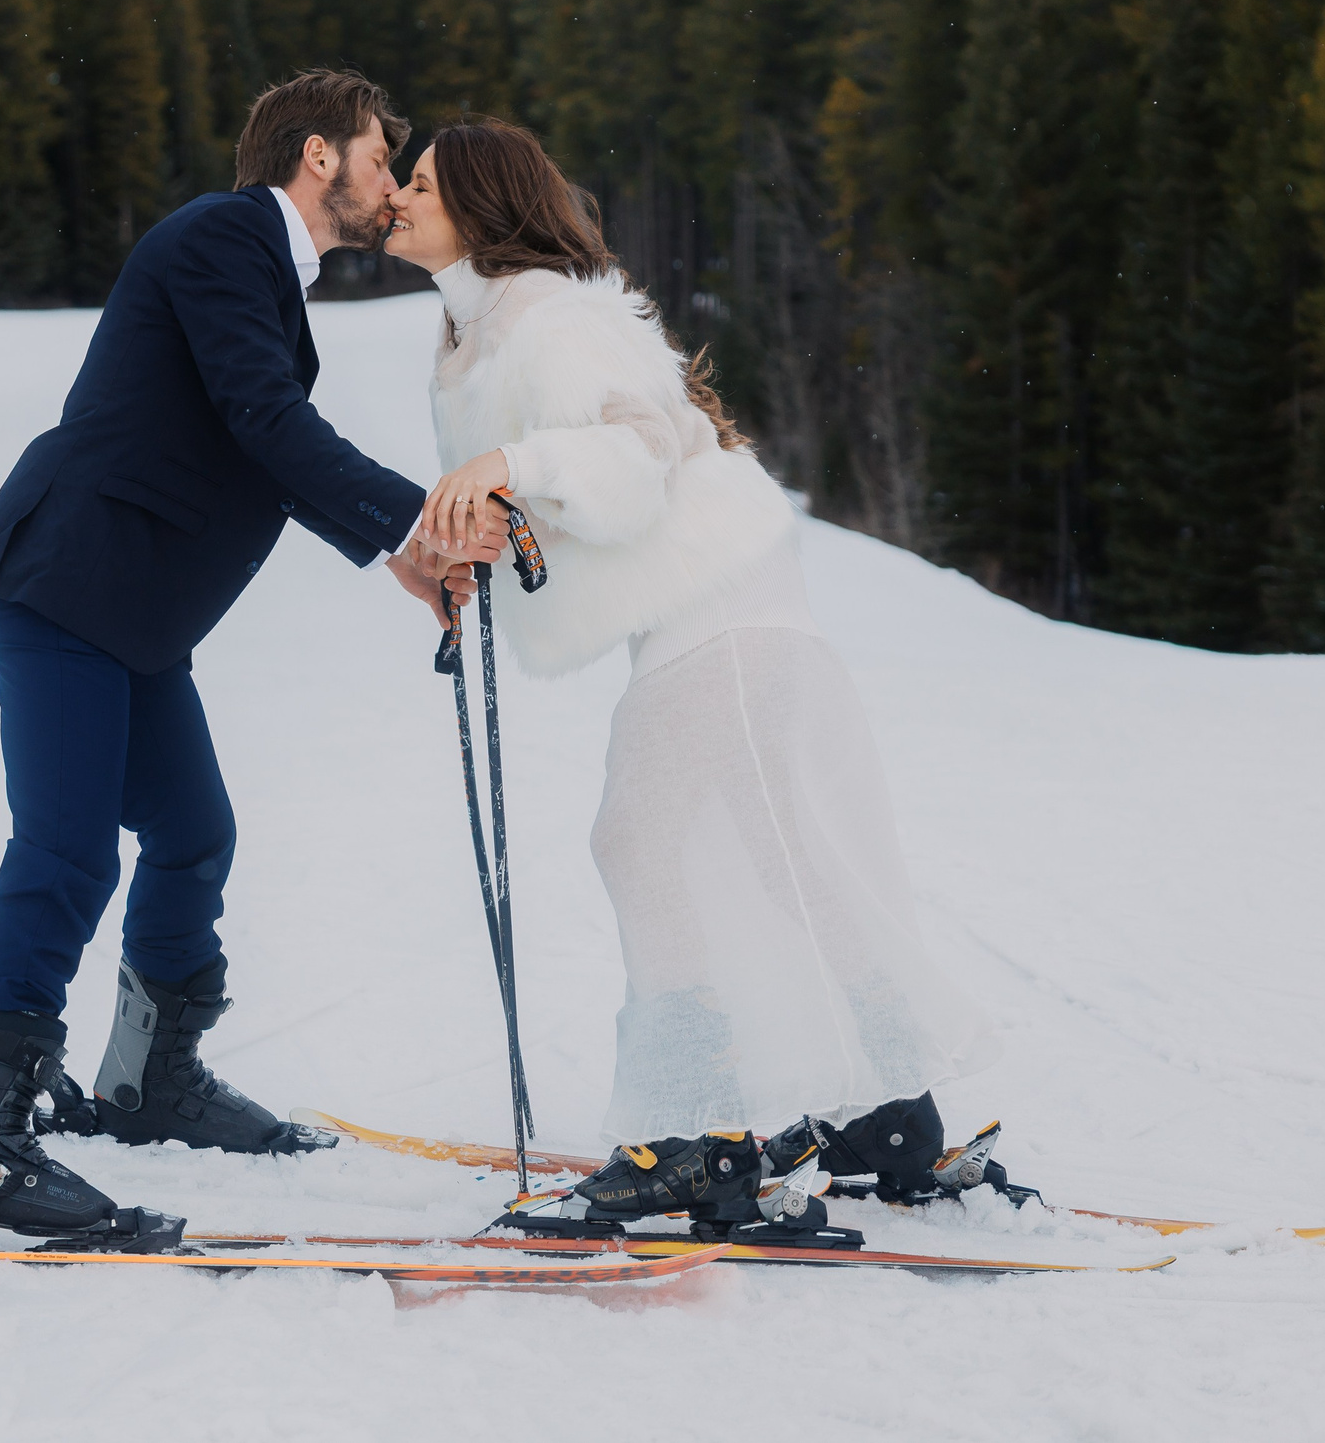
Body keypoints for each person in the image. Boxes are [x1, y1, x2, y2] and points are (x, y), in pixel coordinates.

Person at [0, 71, 502, 1241]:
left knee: (191, 833)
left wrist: (400, 555)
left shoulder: (260, 268)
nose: (391, 182)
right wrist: (420, 521)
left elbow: (253, 441)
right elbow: (264, 419)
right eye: (382, 156)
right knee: (66, 850)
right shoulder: (224, 235)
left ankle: (148, 1082)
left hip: (128, 615)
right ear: (319, 155)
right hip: (66, 584)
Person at [384, 118, 1003, 1221]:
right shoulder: (481, 332)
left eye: (422, 184)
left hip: (721, 616)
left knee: (641, 840)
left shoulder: (549, 315)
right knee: (782, 856)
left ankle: (696, 1140)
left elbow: (641, 450)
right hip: (733, 607)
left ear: (478, 207)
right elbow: (564, 504)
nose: (397, 196)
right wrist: (475, 535)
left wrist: (511, 461)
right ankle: (885, 1118)